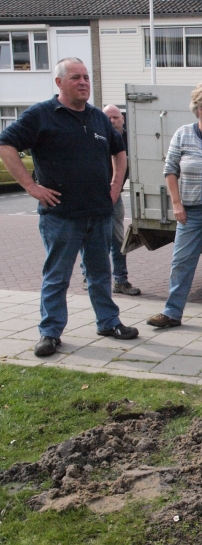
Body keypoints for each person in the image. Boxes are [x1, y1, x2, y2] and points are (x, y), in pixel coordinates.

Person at [0, 57, 139, 357]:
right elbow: (6, 144)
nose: (84, 82)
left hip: (98, 213)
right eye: (76, 77)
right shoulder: (41, 115)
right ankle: (50, 333)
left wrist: (116, 186)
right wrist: (31, 186)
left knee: (101, 273)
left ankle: (108, 322)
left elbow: (120, 151)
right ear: (59, 82)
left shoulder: (99, 118)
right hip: (61, 217)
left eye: (86, 77)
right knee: (57, 276)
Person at [146, 83, 202, 332]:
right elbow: (170, 169)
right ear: (196, 109)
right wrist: (176, 203)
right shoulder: (183, 134)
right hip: (190, 211)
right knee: (181, 261)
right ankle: (172, 312)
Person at [81, 104, 141, 296]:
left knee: (118, 240)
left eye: (116, 117)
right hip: (93, 196)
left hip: (115, 197)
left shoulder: (130, 139)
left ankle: (120, 280)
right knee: (92, 238)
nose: (112, 121)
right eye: (108, 117)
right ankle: (88, 276)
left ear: (123, 119)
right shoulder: (93, 137)